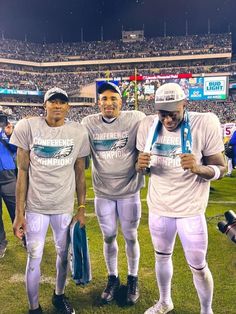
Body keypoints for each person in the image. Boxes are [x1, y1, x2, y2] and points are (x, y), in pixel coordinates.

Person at [136, 82, 226, 314]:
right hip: (159, 207)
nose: (167, 120)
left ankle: (207, 311)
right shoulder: (148, 125)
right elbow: (143, 166)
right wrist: (140, 167)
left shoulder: (204, 122)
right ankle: (165, 301)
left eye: (173, 114)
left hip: (190, 210)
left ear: (185, 105)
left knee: (198, 266)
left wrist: (198, 168)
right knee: (161, 257)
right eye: (162, 114)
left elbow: (221, 168)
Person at [10, 87, 90, 314]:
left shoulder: (78, 132)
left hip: (63, 207)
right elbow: (22, 172)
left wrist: (82, 207)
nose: (57, 105)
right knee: (34, 255)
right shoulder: (28, 127)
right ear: (44, 105)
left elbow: (80, 173)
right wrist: (19, 213)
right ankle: (33, 308)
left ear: (68, 107)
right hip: (36, 207)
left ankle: (59, 295)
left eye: (61, 102)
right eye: (52, 101)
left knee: (64, 254)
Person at [81, 82, 145, 305]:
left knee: (131, 236)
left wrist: (143, 159)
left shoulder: (136, 118)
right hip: (103, 193)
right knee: (108, 236)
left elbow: (148, 142)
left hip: (129, 191)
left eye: (113, 98)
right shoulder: (88, 123)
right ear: (98, 103)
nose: (108, 103)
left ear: (121, 101)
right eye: (104, 99)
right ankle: (113, 277)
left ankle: (133, 277)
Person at [0, 121, 17, 258]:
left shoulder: (5, 133)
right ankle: (1, 243)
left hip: (8, 175)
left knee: (16, 209)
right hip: (7, 173)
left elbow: (15, 149)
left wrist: (10, 134)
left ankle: (25, 238)